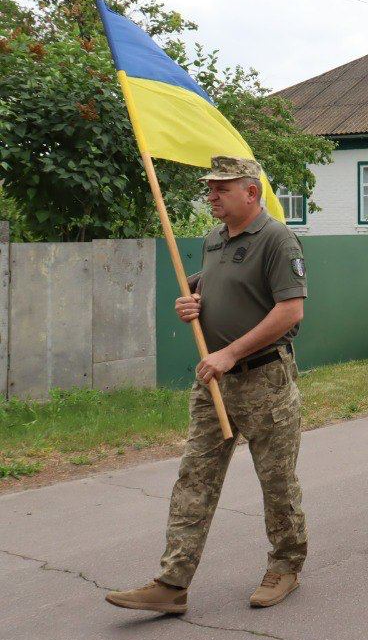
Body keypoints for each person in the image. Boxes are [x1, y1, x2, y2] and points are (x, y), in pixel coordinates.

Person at [106, 157, 307, 616]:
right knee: (194, 479)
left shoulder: (277, 239)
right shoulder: (215, 239)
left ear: (251, 192)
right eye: (209, 188)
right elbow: (222, 285)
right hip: (214, 382)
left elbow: (290, 311)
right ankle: (173, 581)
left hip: (264, 380)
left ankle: (285, 566)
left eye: (221, 188)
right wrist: (194, 295)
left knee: (276, 482)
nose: (211, 196)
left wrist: (231, 352)